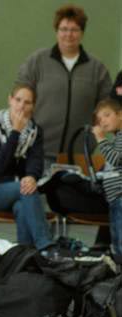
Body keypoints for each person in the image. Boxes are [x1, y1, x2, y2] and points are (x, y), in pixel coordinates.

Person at [16, 4, 111, 166]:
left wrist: (93, 138)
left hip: (80, 156)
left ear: (82, 33)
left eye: (74, 30)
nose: (69, 34)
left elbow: (106, 108)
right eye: (64, 29)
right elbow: (20, 96)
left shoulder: (97, 69)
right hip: (38, 154)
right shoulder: (37, 61)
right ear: (57, 31)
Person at [0, 84, 55, 251]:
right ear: (10, 100)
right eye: (18, 100)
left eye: (27, 102)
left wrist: (31, 176)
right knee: (25, 189)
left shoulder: (35, 131)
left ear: (33, 106)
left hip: (18, 192)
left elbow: (36, 162)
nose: (21, 106)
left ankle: (24, 255)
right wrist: (15, 133)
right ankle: (45, 246)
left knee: (23, 204)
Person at [92, 99, 122, 255]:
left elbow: (115, 159)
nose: (102, 121)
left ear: (120, 114)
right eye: (100, 118)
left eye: (107, 115)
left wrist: (100, 139)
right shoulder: (117, 138)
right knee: (116, 241)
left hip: (120, 196)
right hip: (114, 197)